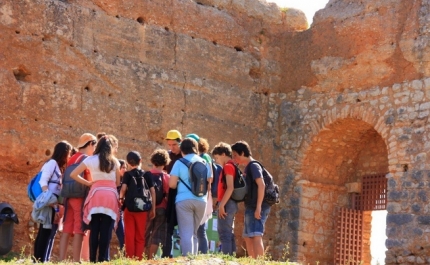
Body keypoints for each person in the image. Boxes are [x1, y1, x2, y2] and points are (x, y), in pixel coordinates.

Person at [70, 135, 121, 263]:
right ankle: (102, 259)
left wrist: (88, 183)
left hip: (95, 196)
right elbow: (117, 183)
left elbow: (73, 174)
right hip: (110, 197)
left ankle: (92, 259)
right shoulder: (115, 162)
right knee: (106, 230)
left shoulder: (91, 160)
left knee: (95, 229)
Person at [168, 138, 212, 255]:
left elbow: (172, 184)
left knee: (186, 233)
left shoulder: (179, 162)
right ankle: (194, 260)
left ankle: (187, 260)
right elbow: (209, 182)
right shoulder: (205, 162)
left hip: (184, 201)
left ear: (182, 150)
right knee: (194, 232)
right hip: (201, 201)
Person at [59, 133, 97, 262]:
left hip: (67, 197)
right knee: (79, 229)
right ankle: (76, 260)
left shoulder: (72, 158)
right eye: (94, 145)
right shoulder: (86, 159)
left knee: (66, 228)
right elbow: (90, 178)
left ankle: (61, 260)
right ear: (90, 144)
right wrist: (90, 184)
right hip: (80, 197)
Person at [33, 140, 73, 262]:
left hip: (51, 203)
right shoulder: (51, 163)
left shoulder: (57, 166)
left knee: (45, 230)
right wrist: (48, 199)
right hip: (48, 202)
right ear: (64, 152)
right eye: (69, 153)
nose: (69, 156)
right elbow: (43, 182)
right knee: (45, 231)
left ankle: (38, 259)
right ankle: (39, 260)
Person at [231, 141, 270, 259]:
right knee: (248, 236)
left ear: (242, 153)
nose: (234, 158)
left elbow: (261, 185)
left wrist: (258, 207)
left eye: (235, 155)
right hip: (251, 205)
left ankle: (259, 262)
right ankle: (252, 261)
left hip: (258, 206)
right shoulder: (248, 168)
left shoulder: (253, 166)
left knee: (256, 235)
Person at [119, 151, 155, 260]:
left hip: (129, 209)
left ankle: (130, 259)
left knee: (129, 235)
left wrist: (121, 199)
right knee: (140, 236)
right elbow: (152, 192)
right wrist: (152, 208)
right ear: (140, 161)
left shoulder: (127, 175)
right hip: (142, 209)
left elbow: (123, 189)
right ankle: (139, 259)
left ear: (128, 163)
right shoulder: (147, 174)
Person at [185, 133, 212, 254]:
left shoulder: (204, 158)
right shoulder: (203, 157)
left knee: (200, 228)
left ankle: (202, 254)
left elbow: (209, 178)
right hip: (202, 195)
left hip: (201, 194)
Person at [211, 142, 239, 255]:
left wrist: (221, 204)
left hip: (227, 203)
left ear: (223, 154)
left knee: (224, 233)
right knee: (229, 233)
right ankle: (231, 258)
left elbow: (230, 187)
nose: (216, 161)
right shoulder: (232, 165)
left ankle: (226, 259)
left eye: (217, 158)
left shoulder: (228, 166)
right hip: (231, 203)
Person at [145, 149, 171, 258]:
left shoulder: (146, 175)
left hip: (148, 208)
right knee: (157, 234)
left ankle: (142, 258)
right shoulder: (166, 177)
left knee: (145, 233)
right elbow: (168, 194)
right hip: (161, 208)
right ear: (165, 162)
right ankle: (151, 259)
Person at [162, 129, 182, 257]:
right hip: (170, 195)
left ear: (180, 143)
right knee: (168, 226)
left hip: (182, 194)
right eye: (169, 145)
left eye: (174, 144)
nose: (172, 147)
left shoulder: (185, 156)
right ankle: (166, 254)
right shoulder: (167, 156)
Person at [115, 159, 127, 251]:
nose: (125, 170)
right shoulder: (112, 183)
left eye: (126, 167)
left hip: (120, 215)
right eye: (123, 167)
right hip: (111, 213)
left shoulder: (125, 183)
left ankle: (123, 258)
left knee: (123, 237)